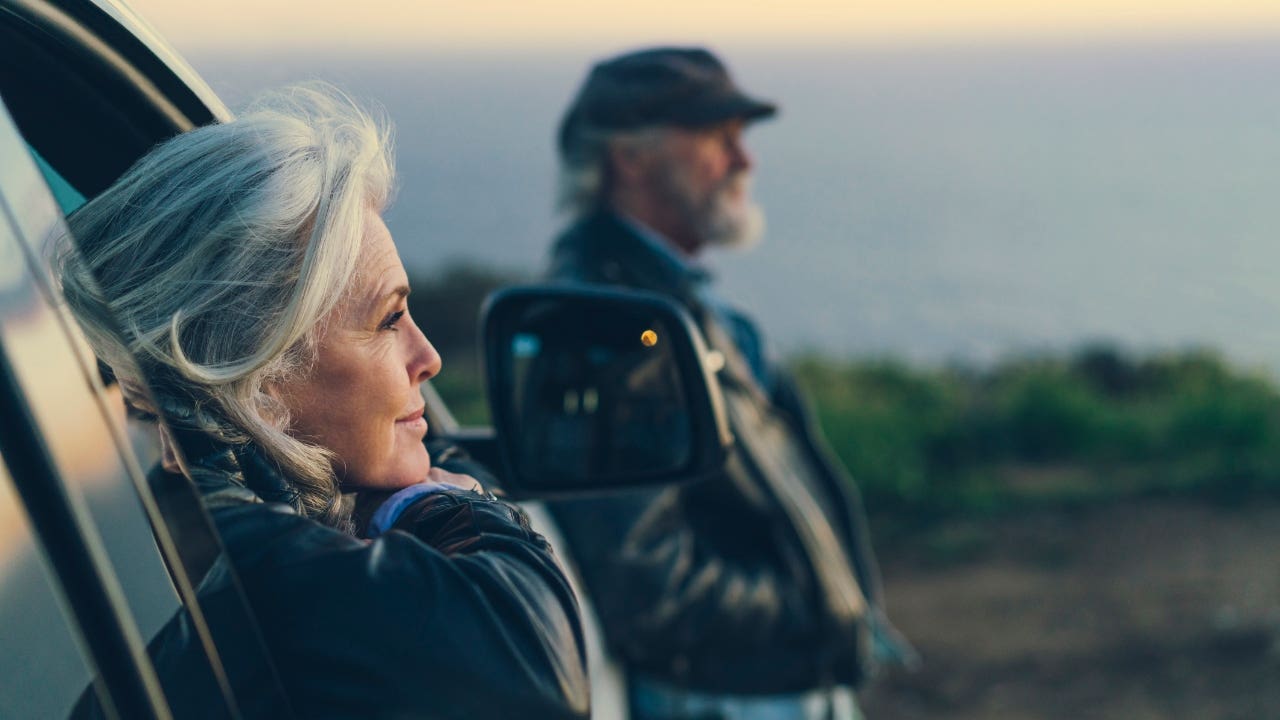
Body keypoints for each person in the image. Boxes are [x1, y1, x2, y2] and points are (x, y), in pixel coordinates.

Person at [57, 84, 589, 719]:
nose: (429, 358)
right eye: (389, 320)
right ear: (259, 374)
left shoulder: (153, 505)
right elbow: (528, 676)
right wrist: (435, 505)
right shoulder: (223, 555)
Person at [544, 47, 915, 719]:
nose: (746, 161)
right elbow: (646, 585)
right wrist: (810, 604)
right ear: (630, 159)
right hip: (727, 700)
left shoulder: (658, 303)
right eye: (720, 139)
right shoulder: (605, 324)